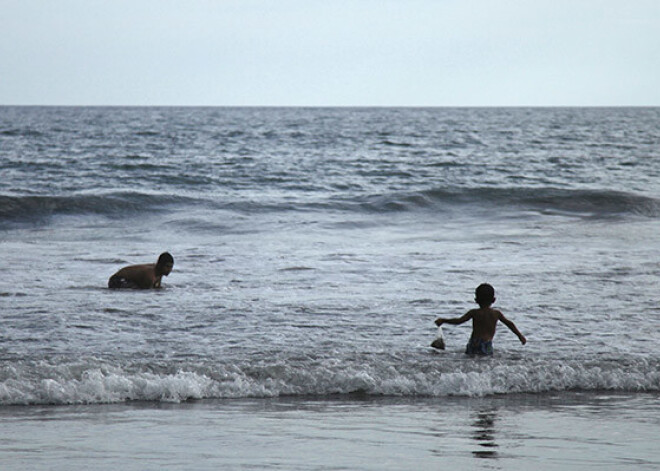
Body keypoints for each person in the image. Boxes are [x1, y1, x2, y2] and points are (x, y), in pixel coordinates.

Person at [434, 283, 526, 355]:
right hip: (486, 343)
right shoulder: (496, 314)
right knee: (485, 363)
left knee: (471, 361)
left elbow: (459, 321)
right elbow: (509, 324)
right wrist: (520, 336)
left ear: (476, 300)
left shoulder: (474, 312)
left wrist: (444, 320)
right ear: (494, 300)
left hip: (474, 342)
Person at [108, 252, 174, 289]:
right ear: (159, 265)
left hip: (127, 280)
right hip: (116, 280)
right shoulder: (150, 275)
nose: (169, 270)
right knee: (137, 289)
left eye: (171, 267)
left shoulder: (159, 272)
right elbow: (147, 291)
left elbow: (157, 287)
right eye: (167, 267)